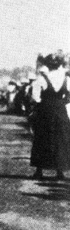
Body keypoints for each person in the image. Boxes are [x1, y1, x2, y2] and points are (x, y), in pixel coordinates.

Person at [29, 52, 70, 180]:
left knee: (42, 138)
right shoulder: (66, 78)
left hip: (45, 110)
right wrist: (62, 102)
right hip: (60, 110)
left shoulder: (41, 78)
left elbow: (35, 97)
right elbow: (69, 95)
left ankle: (39, 170)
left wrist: (41, 103)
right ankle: (60, 171)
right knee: (61, 138)